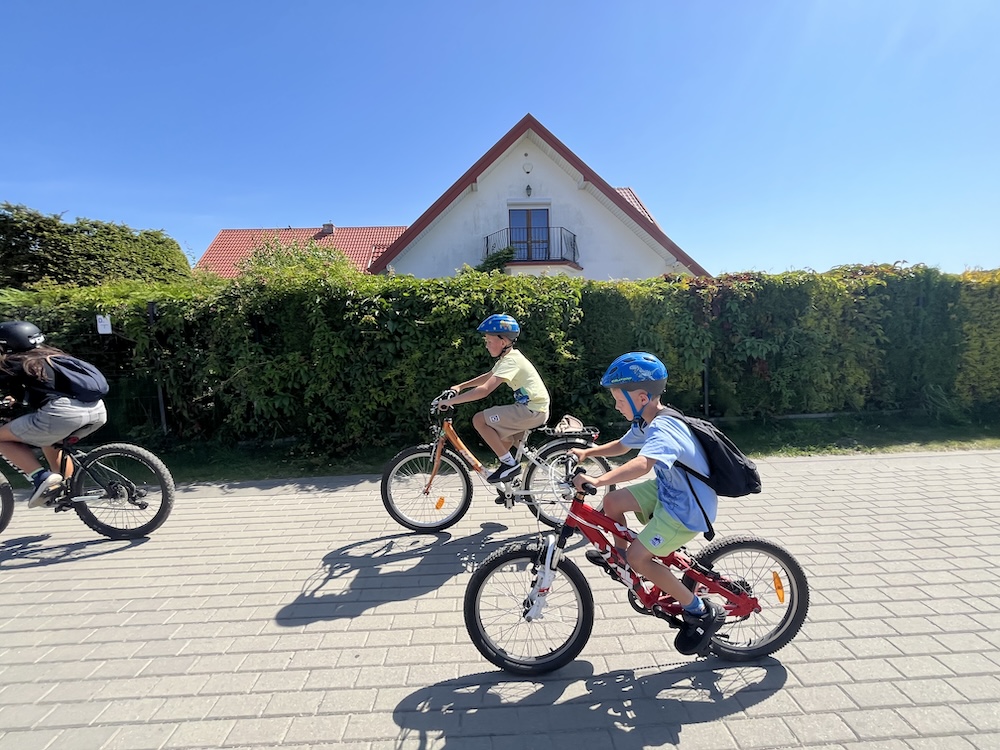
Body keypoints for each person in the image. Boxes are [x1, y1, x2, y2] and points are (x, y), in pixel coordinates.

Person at [571, 351, 726, 656]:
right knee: (613, 502)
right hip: (670, 490)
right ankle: (620, 559)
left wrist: (597, 480)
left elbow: (642, 464)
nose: (616, 405)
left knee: (639, 558)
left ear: (641, 397)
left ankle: (698, 609)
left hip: (686, 509)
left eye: (619, 399)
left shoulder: (664, 428)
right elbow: (623, 445)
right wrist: (588, 453)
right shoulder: (647, 420)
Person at [0, 321, 108, 508]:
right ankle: (69, 491)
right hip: (96, 410)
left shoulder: (13, 362)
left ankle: (41, 477)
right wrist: (14, 398)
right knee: (51, 443)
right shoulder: (52, 355)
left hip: (62, 415)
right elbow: (34, 387)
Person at [440, 314, 550, 484]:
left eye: (489, 341)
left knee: (479, 420)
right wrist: (460, 386)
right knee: (501, 438)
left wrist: (450, 402)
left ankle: (509, 465)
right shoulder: (508, 358)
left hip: (532, 410)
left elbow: (485, 390)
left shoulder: (511, 361)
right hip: (533, 409)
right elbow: (488, 377)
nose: (486, 345)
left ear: (503, 342)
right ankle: (508, 483)